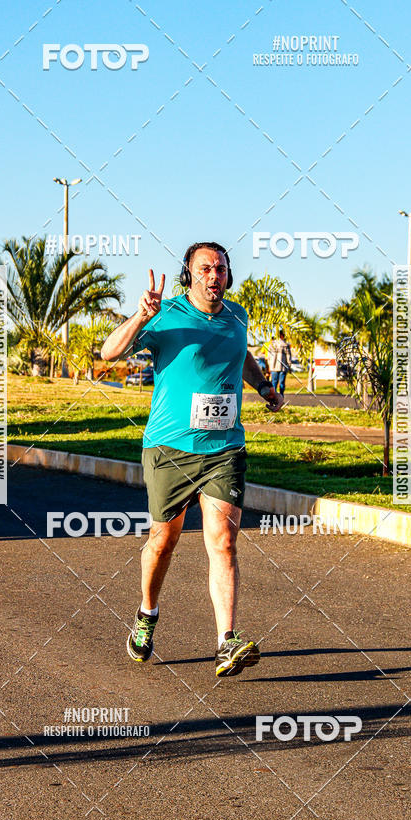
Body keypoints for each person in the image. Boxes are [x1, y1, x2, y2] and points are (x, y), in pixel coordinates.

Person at [101, 242, 285, 677]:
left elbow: (243, 356)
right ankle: (147, 614)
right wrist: (141, 315)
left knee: (223, 541)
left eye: (220, 268)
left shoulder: (237, 315)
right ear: (189, 273)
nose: (213, 275)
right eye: (205, 268)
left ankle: (227, 642)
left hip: (224, 450)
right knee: (164, 541)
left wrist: (263, 387)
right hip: (170, 449)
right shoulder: (165, 315)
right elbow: (110, 353)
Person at [267, 329, 292, 396]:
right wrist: (289, 366)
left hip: (273, 367)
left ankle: (273, 397)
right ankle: (281, 397)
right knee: (282, 383)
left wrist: (269, 366)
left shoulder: (272, 344)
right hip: (282, 367)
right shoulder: (285, 345)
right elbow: (288, 356)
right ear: (282, 335)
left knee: (274, 383)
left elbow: (269, 357)